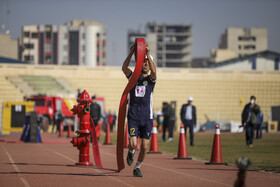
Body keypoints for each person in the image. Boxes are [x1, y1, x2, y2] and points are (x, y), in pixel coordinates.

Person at [122, 42, 156, 177]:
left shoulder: (151, 80)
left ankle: (137, 167)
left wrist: (147, 53)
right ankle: (130, 152)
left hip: (147, 117)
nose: (146, 64)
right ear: (140, 63)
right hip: (133, 116)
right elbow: (124, 68)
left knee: (145, 147)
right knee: (133, 143)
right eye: (144, 62)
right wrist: (131, 53)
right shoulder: (133, 77)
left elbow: (154, 72)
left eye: (148, 62)